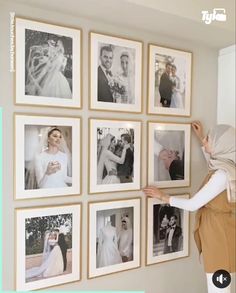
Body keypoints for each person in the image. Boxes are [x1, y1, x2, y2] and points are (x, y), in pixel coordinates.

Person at [143, 121, 236, 293]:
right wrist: (202, 138)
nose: (206, 141)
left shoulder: (222, 175)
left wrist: (163, 196)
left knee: (218, 287)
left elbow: (193, 204)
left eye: (210, 139)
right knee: (219, 284)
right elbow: (213, 163)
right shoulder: (226, 167)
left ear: (219, 145)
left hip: (218, 235)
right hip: (221, 230)